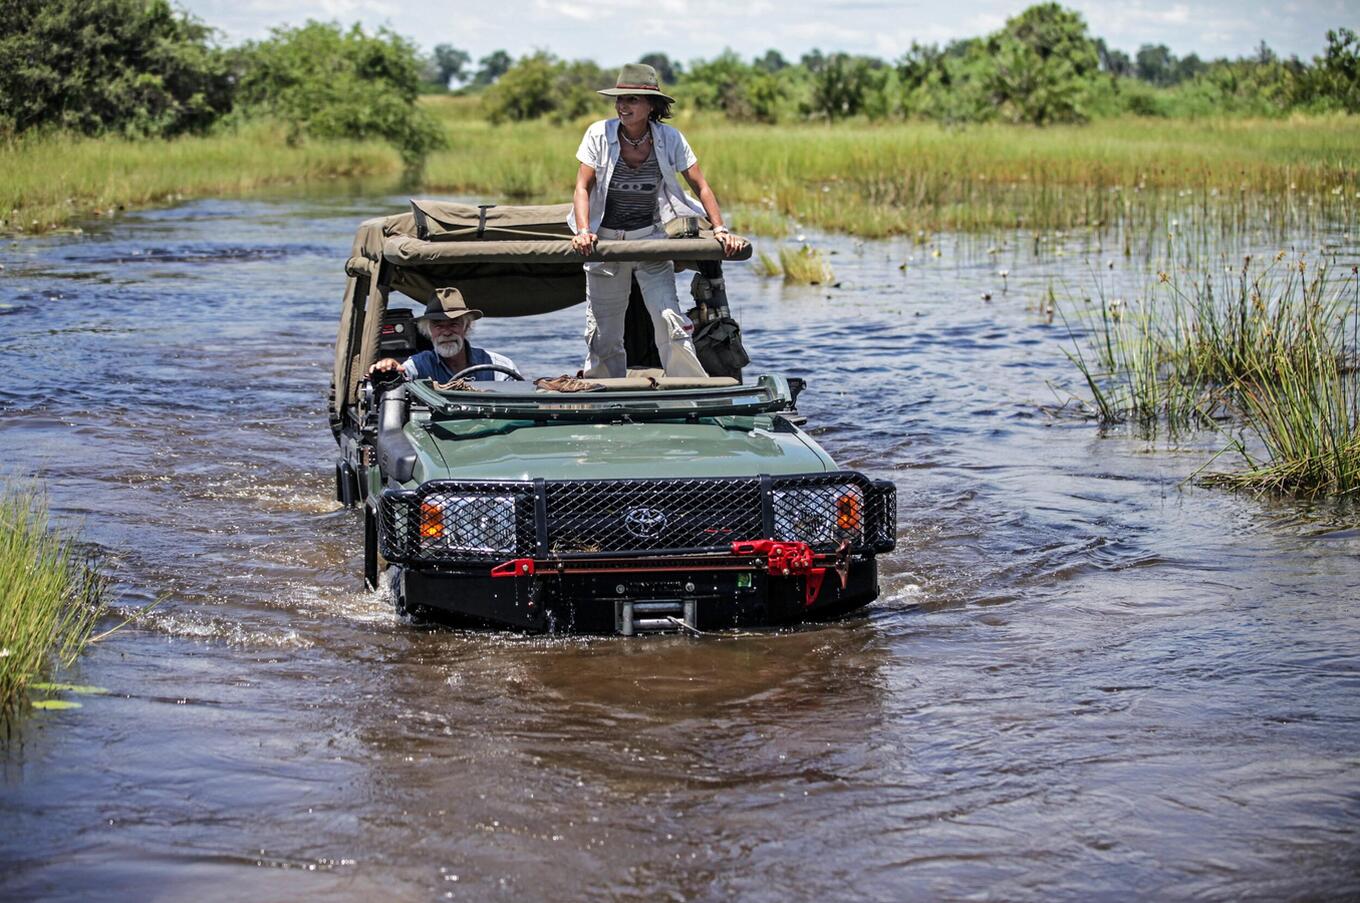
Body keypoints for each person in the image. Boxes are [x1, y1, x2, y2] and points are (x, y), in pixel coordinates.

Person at [570, 62, 747, 379]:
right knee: (604, 330)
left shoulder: (670, 139)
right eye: (620, 100)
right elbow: (582, 187)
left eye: (632, 100)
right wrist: (584, 232)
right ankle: (602, 391)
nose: (623, 106)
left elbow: (701, 186)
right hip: (605, 241)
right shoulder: (599, 134)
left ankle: (689, 388)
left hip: (650, 238)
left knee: (669, 318)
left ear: (652, 105)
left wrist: (720, 229)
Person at [368, 287, 518, 382]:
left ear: (466, 327)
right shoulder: (419, 364)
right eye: (438, 325)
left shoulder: (500, 367)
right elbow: (400, 375)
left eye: (453, 324)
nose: (446, 332)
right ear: (428, 331)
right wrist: (389, 366)